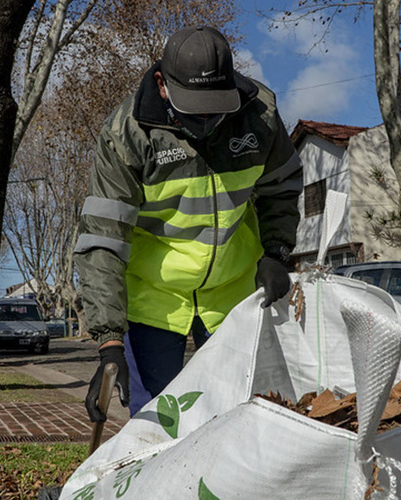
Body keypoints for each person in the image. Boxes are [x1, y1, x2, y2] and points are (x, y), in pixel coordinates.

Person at [74, 26, 302, 421]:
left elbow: (281, 187)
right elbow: (103, 239)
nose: (207, 121)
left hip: (232, 295)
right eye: (194, 108)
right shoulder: (127, 134)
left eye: (216, 107)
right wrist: (109, 340)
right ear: (162, 84)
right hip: (154, 303)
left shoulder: (259, 115)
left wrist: (276, 254)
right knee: (160, 424)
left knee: (241, 415)